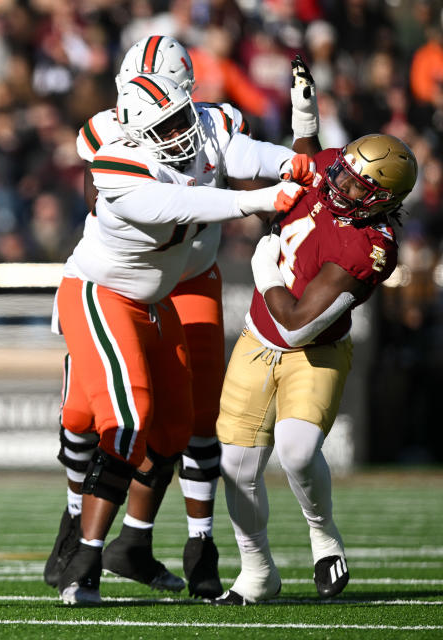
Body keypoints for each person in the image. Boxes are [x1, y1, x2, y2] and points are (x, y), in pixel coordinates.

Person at [45, 35, 321, 600]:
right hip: (102, 291)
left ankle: (141, 544)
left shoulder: (201, 123)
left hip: (158, 294)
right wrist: (258, 200)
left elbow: (239, 154)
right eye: (165, 127)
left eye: (180, 119)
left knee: (175, 427)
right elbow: (180, 204)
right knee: (124, 418)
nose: (179, 134)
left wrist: (289, 162)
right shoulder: (116, 157)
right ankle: (84, 558)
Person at [214, 133, 417, 605]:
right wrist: (303, 113)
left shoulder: (368, 247)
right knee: (235, 466)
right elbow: (307, 152)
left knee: (298, 450)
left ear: (379, 201)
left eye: (352, 185)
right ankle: (256, 572)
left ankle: (323, 536)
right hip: (254, 338)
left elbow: (296, 326)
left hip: (313, 349)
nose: (337, 183)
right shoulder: (332, 168)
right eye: (341, 171)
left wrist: (263, 270)